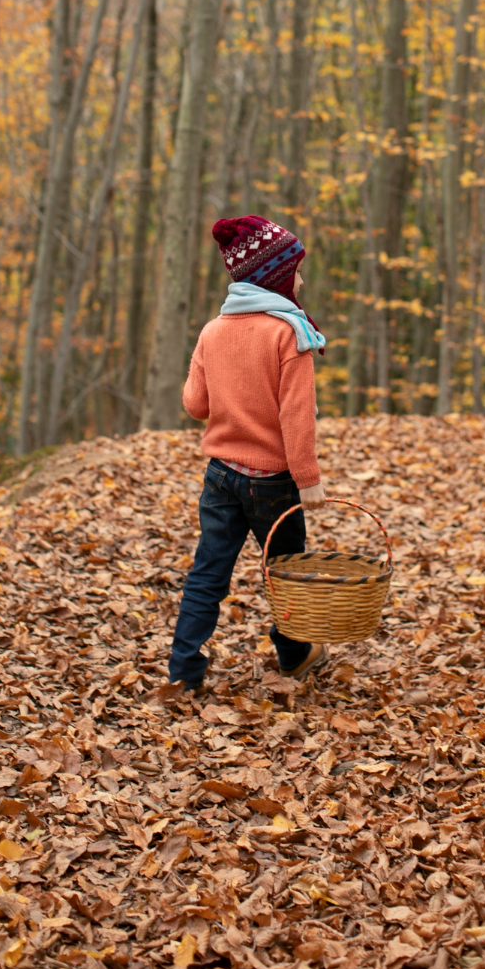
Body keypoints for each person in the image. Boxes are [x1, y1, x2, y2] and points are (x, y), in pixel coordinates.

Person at [168, 215, 329, 693]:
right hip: (274, 483)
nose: (302, 279)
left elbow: (196, 405)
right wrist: (308, 478)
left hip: (221, 476)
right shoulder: (288, 333)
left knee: (208, 572)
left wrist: (217, 376)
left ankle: (184, 670)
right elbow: (296, 418)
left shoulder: (213, 331)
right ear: (275, 275)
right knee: (285, 573)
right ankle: (295, 656)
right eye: (297, 269)